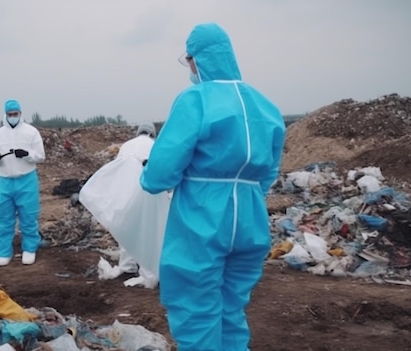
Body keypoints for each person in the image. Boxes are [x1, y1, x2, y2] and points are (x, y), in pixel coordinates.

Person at [140, 23, 286, 350]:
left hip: (202, 217)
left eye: (189, 59)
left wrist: (147, 179)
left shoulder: (195, 100)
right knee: (231, 306)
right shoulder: (266, 106)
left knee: (195, 308)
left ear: (197, 59)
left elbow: (162, 170)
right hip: (250, 218)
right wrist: (245, 195)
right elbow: (269, 170)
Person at [0, 99, 45, 266]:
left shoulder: (31, 132)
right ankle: (4, 252)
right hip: (5, 180)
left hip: (26, 179)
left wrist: (27, 154)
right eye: (10, 114)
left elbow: (40, 156)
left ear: (20, 114)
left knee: (28, 216)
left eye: (15, 114)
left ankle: (29, 249)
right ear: (5, 115)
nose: (12, 117)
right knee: (3, 217)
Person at [113, 122, 159, 287]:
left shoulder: (126, 145)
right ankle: (149, 273)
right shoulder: (155, 145)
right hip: (147, 192)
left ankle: (127, 266)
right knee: (149, 232)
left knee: (127, 229)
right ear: (153, 134)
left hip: (125, 192)